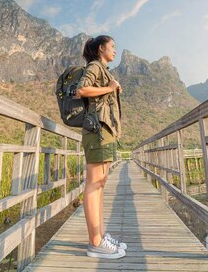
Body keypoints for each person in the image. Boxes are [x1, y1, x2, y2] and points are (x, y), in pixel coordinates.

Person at [76, 35, 127, 259]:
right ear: (100, 48)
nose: (115, 50)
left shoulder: (104, 70)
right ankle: (95, 243)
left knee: (101, 183)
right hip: (96, 131)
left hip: (104, 132)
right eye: (112, 46)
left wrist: (113, 88)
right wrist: (109, 89)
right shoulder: (95, 66)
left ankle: (100, 235)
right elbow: (82, 90)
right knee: (94, 183)